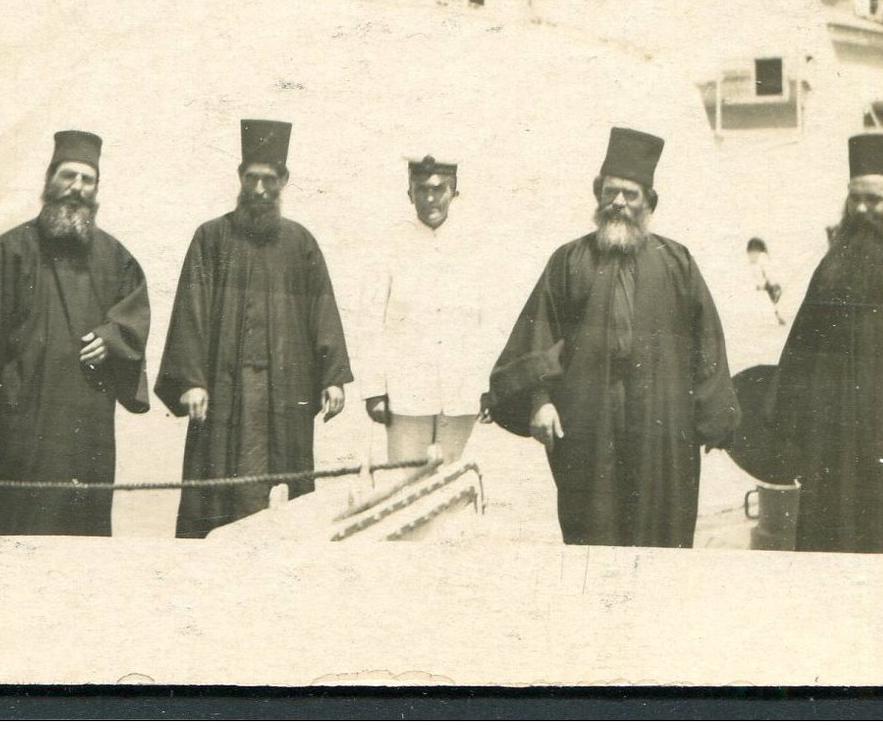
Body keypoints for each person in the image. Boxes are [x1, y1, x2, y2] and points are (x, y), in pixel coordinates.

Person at [488, 127, 739, 547]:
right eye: (610, 192)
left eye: (630, 194)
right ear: (597, 194)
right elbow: (538, 335)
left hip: (663, 430)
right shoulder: (568, 261)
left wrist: (713, 417)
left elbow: (708, 342)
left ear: (649, 203)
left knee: (661, 534)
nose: (618, 202)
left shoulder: (678, 262)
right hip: (588, 426)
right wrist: (540, 401)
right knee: (592, 535)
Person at [0, 130, 152, 536]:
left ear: (96, 190)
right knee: (14, 526)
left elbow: (133, 316)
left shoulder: (116, 258)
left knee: (79, 533)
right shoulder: (10, 250)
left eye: (87, 180)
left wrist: (112, 337)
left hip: (86, 420)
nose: (76, 188)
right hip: (22, 418)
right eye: (68, 176)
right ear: (49, 180)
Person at [155, 119, 354, 539]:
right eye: (252, 179)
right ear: (240, 178)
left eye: (269, 180)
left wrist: (334, 377)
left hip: (286, 395)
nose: (260, 190)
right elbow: (190, 312)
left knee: (285, 502)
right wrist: (191, 381)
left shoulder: (301, 243)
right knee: (219, 501)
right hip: (225, 395)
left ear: (284, 180)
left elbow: (323, 310)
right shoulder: (210, 238)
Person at [774, 132, 883, 553]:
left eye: (875, 200)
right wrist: (791, 429)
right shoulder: (834, 261)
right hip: (829, 431)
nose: (864, 210)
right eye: (856, 200)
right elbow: (801, 347)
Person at [362, 156, 493, 464]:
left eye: (440, 188)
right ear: (409, 193)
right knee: (403, 486)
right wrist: (373, 390)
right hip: (406, 396)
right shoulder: (389, 244)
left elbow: (489, 323)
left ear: (454, 192)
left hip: (462, 392)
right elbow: (369, 321)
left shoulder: (476, 248)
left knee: (454, 487)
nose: (430, 198)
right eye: (421, 189)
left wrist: (489, 387)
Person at [746, 237, 787, 325]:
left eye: (753, 254)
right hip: (762, 291)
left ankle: (777, 316)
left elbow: (768, 277)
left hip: (766, 290)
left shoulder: (762, 261)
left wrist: (764, 285)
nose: (751, 256)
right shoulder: (752, 266)